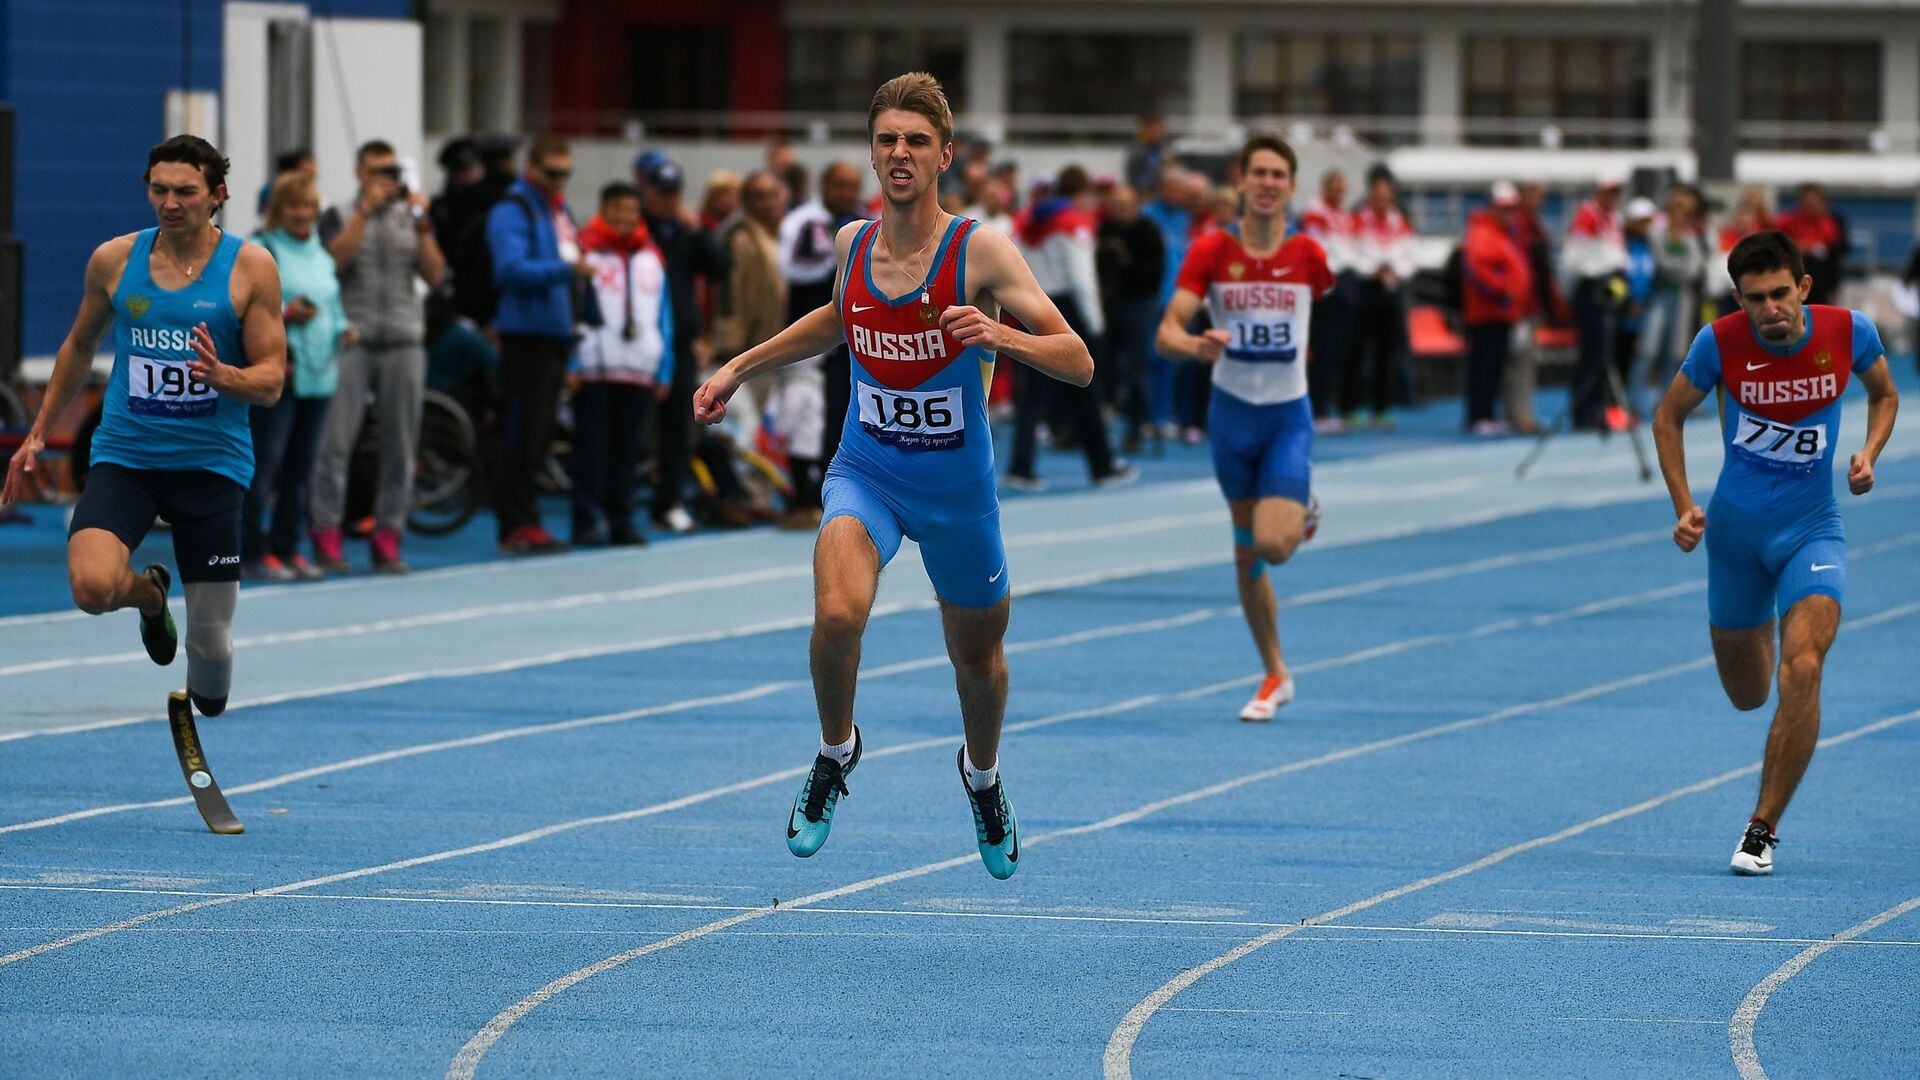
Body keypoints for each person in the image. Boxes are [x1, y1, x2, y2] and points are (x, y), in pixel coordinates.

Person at [693, 72, 1094, 879]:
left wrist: (998, 336)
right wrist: (738, 365)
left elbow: (1079, 361)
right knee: (838, 615)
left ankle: (982, 778)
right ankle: (835, 753)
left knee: (976, 660)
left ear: (944, 154)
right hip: (866, 471)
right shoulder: (853, 245)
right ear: (872, 154)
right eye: (886, 139)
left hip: (957, 494)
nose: (899, 152)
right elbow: (840, 317)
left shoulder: (977, 249)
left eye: (915, 140)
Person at [2, 135, 287, 723]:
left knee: (210, 658)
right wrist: (37, 432)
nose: (170, 202)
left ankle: (200, 673)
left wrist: (222, 375)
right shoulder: (115, 260)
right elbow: (80, 345)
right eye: (159, 189)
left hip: (210, 467)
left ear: (217, 195)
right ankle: (151, 595)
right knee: (91, 588)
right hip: (126, 457)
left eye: (186, 191)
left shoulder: (251, 267)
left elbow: (272, 380)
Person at [1651, 229, 1898, 876]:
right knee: (1749, 693)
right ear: (1739, 297)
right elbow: (1667, 417)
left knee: (1805, 666)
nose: (1770, 310)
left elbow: (1885, 393)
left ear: (1804, 288)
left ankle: (1761, 829)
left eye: (1781, 294)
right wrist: (1683, 505)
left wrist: (1869, 452)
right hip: (1735, 538)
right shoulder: (1719, 343)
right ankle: (1755, 625)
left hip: (1812, 530)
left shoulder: (1849, 333)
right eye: (1756, 298)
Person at [1154, 134, 1334, 723]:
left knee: (1273, 545)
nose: (1266, 183)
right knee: (1245, 556)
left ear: (1290, 185)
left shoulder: (1309, 255)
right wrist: (1196, 344)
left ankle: (1300, 505)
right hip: (1230, 417)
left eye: (1278, 174)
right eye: (1257, 172)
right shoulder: (1210, 252)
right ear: (1242, 181)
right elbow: (1167, 332)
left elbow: (1318, 313)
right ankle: (1275, 672)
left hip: (1286, 417)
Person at [310, 140, 447, 573]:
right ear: (359, 173)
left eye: (389, 171)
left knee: (401, 446)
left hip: (404, 340)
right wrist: (366, 212)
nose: (383, 179)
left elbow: (435, 274)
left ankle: (388, 535)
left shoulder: (413, 218)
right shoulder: (340, 215)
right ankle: (327, 534)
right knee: (335, 444)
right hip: (354, 338)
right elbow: (333, 265)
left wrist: (424, 225)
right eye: (374, 171)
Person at [244, 172, 349, 581]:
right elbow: (246, 306)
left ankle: (288, 546)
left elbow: (335, 305)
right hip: (278, 375)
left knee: (301, 468)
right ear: (276, 210)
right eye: (294, 206)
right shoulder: (260, 250)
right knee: (264, 465)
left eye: (308, 206)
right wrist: (287, 312)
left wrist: (344, 329)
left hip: (320, 375)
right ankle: (252, 549)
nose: (302, 214)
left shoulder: (321, 254)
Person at [1007, 165, 1134, 491]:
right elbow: (1081, 278)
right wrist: (1095, 324)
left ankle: (1020, 466)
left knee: (1032, 395)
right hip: (1066, 309)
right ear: (1083, 193)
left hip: (1031, 304)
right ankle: (1103, 466)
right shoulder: (1074, 222)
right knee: (1085, 388)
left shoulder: (1027, 219)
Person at [570, 182, 673, 546]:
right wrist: (571, 361)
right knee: (590, 449)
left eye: (631, 210)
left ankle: (621, 519)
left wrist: (665, 367)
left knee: (627, 451)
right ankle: (585, 519)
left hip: (638, 368)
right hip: (595, 366)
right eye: (617, 209)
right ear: (603, 209)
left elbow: (664, 315)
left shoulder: (651, 257)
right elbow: (574, 309)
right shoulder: (585, 252)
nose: (625, 217)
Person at [637, 152, 730, 534]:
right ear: (647, 191)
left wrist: (697, 231)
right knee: (631, 429)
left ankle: (670, 502)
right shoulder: (636, 230)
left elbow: (720, 267)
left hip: (679, 348)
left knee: (679, 429)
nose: (669, 199)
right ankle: (618, 506)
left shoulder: (683, 232)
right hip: (639, 345)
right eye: (662, 192)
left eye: (674, 192)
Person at [1461, 181, 1534, 434]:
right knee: (1484, 364)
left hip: (1502, 312)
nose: (1509, 214)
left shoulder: (1506, 233)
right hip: (1487, 312)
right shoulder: (1484, 232)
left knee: (1494, 364)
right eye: (1504, 208)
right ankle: (1478, 414)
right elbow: (1477, 268)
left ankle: (1487, 413)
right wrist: (1501, 291)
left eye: (1512, 209)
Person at [1344, 164, 1414, 429]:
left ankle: (1382, 407)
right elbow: (1351, 252)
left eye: (1389, 194)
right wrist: (1374, 269)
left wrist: (1396, 271)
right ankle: (1351, 407)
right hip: (1365, 290)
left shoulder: (1400, 219)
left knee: (1388, 353)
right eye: (1380, 193)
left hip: (1391, 291)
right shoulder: (1358, 217)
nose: (1385, 199)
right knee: (1358, 351)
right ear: (1371, 192)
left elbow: (1411, 253)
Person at [1564, 173, 1627, 429]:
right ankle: (1584, 410)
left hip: (1609, 286)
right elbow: (1577, 259)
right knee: (1592, 353)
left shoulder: (1611, 219)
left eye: (1616, 193)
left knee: (1605, 352)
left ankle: (1599, 408)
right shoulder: (1588, 216)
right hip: (1592, 289)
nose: (1613, 198)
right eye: (1609, 193)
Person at [1298, 169, 1356, 433]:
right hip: (1324, 286)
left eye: (1342, 186)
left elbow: (1353, 247)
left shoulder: (1344, 215)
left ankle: (1325, 407)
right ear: (1325, 187)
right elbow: (1317, 248)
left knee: (1335, 351)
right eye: (1334, 186)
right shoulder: (1315, 212)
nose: (1339, 191)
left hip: (1343, 282)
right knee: (1320, 349)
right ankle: (1316, 409)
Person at [1774, 183, 1849, 306]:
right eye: (1806, 200)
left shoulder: (1834, 221)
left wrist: (1819, 248)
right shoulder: (1789, 221)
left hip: (1825, 276)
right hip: (1795, 273)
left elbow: (1841, 247)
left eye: (1813, 200)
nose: (1810, 204)